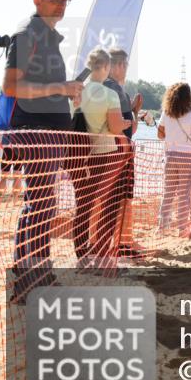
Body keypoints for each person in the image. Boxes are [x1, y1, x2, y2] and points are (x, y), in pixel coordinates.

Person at [2, 0, 84, 302]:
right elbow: (10, 87)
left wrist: (68, 91)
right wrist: (59, 89)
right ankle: (27, 280)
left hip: (48, 132)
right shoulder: (27, 34)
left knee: (43, 205)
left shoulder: (46, 36)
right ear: (36, 0)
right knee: (39, 205)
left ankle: (38, 273)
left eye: (65, 0)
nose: (62, 5)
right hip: (34, 132)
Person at [72, 48, 130, 266]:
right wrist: (126, 123)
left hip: (79, 154)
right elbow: (115, 128)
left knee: (83, 206)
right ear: (106, 67)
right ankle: (103, 255)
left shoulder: (78, 92)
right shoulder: (109, 94)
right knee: (108, 205)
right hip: (105, 154)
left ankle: (82, 256)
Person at [103, 47, 147, 258]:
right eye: (125, 65)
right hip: (119, 152)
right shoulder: (114, 90)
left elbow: (129, 127)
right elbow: (120, 127)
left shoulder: (109, 89)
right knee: (121, 199)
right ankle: (123, 243)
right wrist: (133, 115)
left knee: (112, 199)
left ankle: (116, 242)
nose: (126, 69)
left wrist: (134, 112)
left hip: (111, 150)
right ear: (116, 66)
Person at [156, 83, 191, 238]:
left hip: (170, 155)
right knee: (184, 194)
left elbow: (160, 134)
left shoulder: (166, 113)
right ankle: (182, 228)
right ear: (188, 98)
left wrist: (172, 135)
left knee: (168, 192)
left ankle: (162, 227)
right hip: (187, 157)